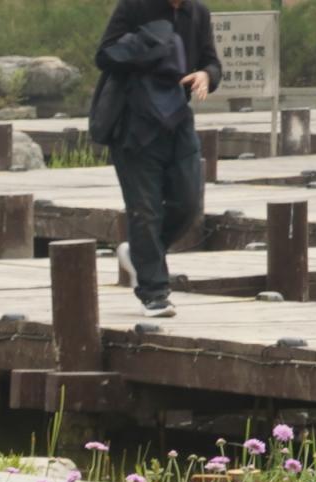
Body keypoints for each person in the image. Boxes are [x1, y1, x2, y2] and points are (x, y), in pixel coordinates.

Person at [91, 0, 220, 319]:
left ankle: (139, 255)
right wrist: (149, 44)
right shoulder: (135, 6)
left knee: (189, 204)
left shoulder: (198, 13)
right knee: (145, 210)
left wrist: (206, 75)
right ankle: (154, 292)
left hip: (177, 119)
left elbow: (212, 61)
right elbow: (104, 54)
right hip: (134, 124)